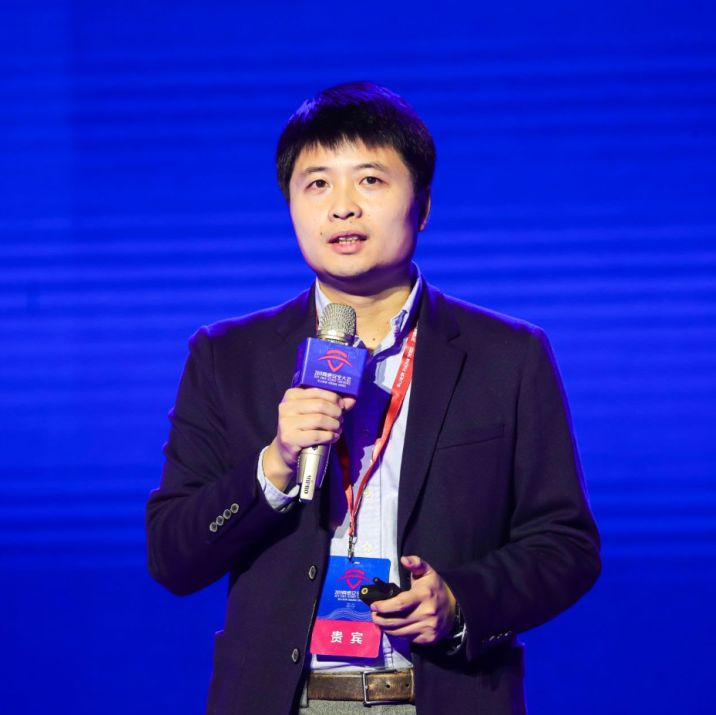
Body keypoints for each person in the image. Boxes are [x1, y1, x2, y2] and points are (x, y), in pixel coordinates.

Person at [146, 81, 601, 715]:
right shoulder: (227, 356)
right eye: (317, 184)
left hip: (440, 695)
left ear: (423, 205)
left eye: (369, 180)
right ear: (291, 207)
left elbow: (565, 544)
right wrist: (274, 465)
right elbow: (173, 555)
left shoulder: (508, 355)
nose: (342, 208)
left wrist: (460, 602)